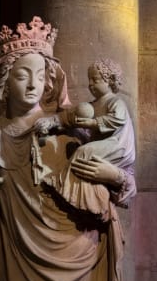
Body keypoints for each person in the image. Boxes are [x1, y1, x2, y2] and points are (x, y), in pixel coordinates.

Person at [0, 18, 137, 281]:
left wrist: (114, 176)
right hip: (18, 259)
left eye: (40, 75)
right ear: (4, 84)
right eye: (23, 76)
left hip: (78, 256)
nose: (34, 84)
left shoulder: (64, 130)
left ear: (49, 81)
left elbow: (126, 192)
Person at [34, 59, 135, 221]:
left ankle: (64, 187)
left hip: (118, 145)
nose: (90, 85)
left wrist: (93, 123)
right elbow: (71, 115)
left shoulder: (116, 102)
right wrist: (53, 121)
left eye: (95, 80)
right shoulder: (92, 105)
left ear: (109, 81)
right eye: (89, 80)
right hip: (104, 145)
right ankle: (70, 189)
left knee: (83, 151)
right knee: (82, 152)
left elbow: (117, 120)